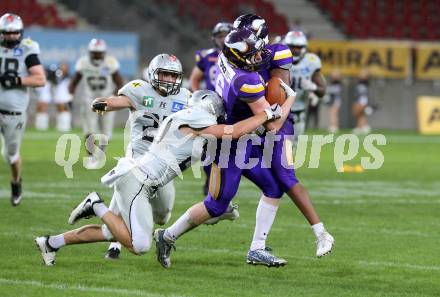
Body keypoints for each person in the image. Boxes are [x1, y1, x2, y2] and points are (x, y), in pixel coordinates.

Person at [154, 15, 334, 269]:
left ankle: (257, 249)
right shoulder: (246, 80)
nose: (258, 58)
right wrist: (289, 98)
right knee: (216, 205)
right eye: (253, 55)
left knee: (273, 187)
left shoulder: (229, 57)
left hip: (244, 139)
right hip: (230, 144)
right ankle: (167, 235)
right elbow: (272, 124)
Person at [34, 89, 284, 266]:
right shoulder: (196, 120)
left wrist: (219, 204)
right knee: (139, 245)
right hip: (137, 181)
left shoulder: (193, 125)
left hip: (138, 180)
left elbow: (228, 146)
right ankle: (95, 204)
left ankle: (52, 243)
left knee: (112, 232)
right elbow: (234, 130)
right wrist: (266, 114)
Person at [0, 13, 46, 206]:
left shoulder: (28, 49)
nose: (11, 36)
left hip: (14, 112)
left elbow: (40, 79)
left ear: (20, 32)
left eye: (14, 32)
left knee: (10, 155)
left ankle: (16, 182)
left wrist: (17, 80)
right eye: (7, 33)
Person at [189, 22, 233, 195]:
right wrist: (198, 98)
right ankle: (211, 182)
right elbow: (194, 79)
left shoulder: (239, 58)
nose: (222, 40)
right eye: (220, 36)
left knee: (231, 147)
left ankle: (223, 182)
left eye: (226, 36)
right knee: (208, 146)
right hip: (211, 109)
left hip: (231, 107)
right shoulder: (207, 57)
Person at [68, 38, 124, 168]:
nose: (97, 55)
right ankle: (91, 156)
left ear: (104, 52)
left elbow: (120, 83)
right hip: (89, 100)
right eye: (94, 52)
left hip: (107, 101)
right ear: (90, 52)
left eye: (99, 52)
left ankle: (100, 155)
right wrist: (70, 97)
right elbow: (74, 82)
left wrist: (113, 97)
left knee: (106, 132)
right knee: (89, 130)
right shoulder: (83, 63)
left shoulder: (110, 63)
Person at [283, 30, 326, 144]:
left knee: (293, 147)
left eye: (299, 47)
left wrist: (313, 88)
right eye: (293, 46)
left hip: (298, 112)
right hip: (278, 109)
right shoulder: (278, 60)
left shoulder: (311, 61)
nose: (296, 50)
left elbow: (322, 91)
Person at [34, 63, 71, 132]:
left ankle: (65, 126)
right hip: (58, 94)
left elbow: (61, 80)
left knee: (63, 108)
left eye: (64, 66)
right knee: (58, 108)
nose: (62, 68)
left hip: (64, 94)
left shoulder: (66, 76)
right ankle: (59, 126)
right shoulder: (56, 75)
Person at [352, 69, 371, 135]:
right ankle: (360, 127)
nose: (361, 75)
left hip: (362, 99)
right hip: (358, 99)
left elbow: (364, 93)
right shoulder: (359, 83)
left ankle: (363, 126)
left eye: (363, 74)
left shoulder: (365, 83)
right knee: (358, 114)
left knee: (360, 112)